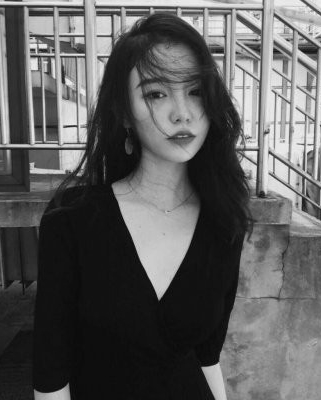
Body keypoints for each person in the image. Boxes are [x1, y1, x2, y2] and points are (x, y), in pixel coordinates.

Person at [32, 12, 252, 400]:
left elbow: (207, 358)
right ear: (124, 113)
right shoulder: (73, 220)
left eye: (195, 90)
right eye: (156, 94)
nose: (182, 112)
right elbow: (50, 375)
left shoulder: (224, 221)